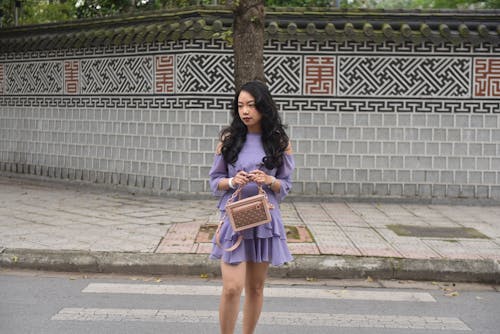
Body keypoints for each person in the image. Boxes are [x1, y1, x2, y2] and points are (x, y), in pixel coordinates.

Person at [208, 80, 294, 334]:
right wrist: (233, 181)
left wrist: (269, 180)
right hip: (234, 221)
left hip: (264, 221)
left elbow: (286, 185)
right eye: (240, 106)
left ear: (264, 107)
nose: (245, 111)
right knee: (232, 287)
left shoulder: (279, 141)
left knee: (255, 288)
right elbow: (215, 181)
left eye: (251, 105)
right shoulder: (229, 139)